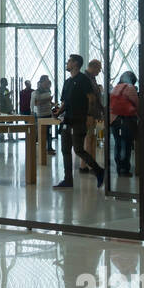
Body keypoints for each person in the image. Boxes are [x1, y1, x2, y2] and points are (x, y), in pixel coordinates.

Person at [52, 54, 105, 189]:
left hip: (79, 119)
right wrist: (59, 112)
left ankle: (98, 170)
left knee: (78, 149)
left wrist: (89, 115)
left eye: (69, 61)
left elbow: (91, 99)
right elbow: (65, 101)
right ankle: (68, 179)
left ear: (75, 64)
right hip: (68, 119)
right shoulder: (67, 82)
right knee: (65, 149)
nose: (67, 63)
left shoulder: (83, 79)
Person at [109, 71, 139, 176]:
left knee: (117, 143)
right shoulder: (130, 88)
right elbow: (136, 103)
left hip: (114, 120)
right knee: (126, 144)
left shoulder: (115, 88)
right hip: (127, 119)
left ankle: (118, 167)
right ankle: (124, 169)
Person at [32, 75, 57, 155]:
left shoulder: (48, 90)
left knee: (49, 132)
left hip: (48, 113)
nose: (48, 82)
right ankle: (42, 148)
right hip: (40, 115)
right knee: (42, 132)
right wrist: (48, 100)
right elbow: (36, 103)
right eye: (46, 80)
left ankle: (49, 147)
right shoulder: (36, 92)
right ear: (42, 82)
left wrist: (53, 104)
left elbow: (48, 102)